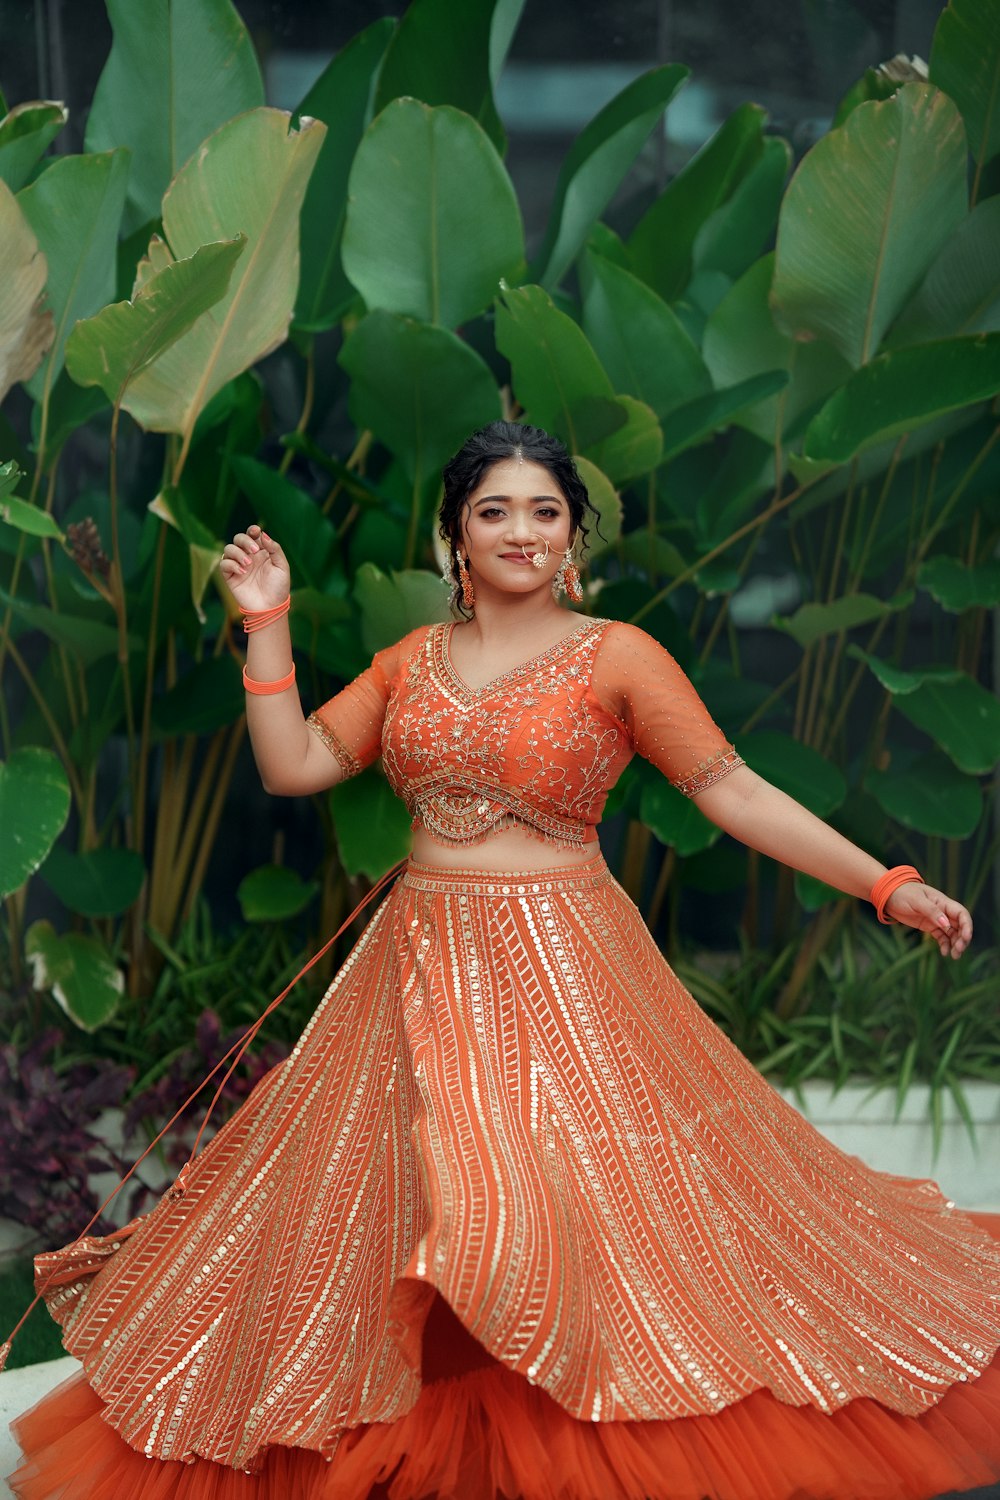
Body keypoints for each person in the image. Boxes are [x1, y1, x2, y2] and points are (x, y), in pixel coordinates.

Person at [6, 419, 1000, 1500]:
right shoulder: (408, 663)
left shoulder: (618, 655)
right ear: (456, 541)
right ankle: (430, 1415)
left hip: (569, 971)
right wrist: (267, 625)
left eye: (544, 511)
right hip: (416, 965)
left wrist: (884, 885)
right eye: (494, 512)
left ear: (572, 534)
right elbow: (293, 764)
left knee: (555, 1202)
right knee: (400, 1204)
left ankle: (588, 1424)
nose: (520, 531)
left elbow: (733, 792)